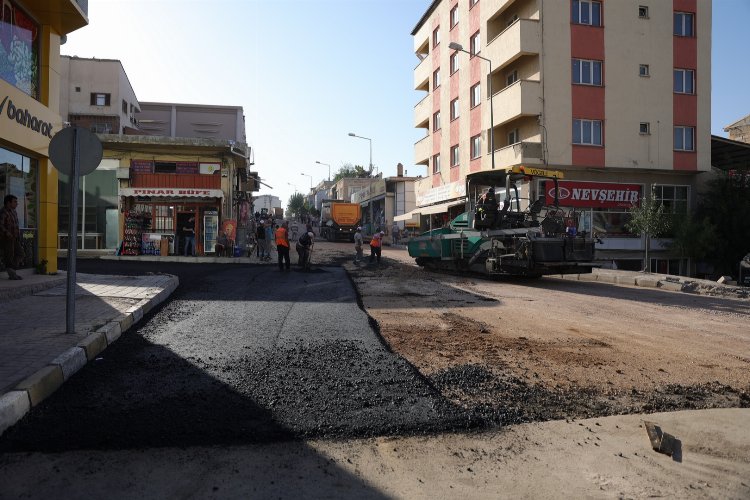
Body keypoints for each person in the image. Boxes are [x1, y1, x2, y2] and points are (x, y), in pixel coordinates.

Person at [0, 194, 23, 280]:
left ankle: (12, 270)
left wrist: (18, 235)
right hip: (7, 239)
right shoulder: (3, 212)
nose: (16, 204)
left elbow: (16, 225)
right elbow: (1, 226)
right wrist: (7, 233)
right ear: (8, 202)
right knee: (9, 256)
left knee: (21, 254)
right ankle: (12, 274)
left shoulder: (14, 211)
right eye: (15, 202)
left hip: (15, 238)